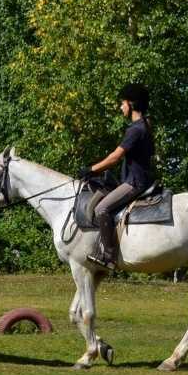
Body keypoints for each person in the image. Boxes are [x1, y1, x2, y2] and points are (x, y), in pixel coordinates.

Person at [77, 83, 155, 272]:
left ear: (131, 104)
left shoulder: (135, 130)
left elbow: (115, 157)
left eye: (122, 103)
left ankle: (108, 256)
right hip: (140, 179)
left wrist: (91, 169)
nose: (120, 107)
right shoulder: (146, 125)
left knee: (101, 208)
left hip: (135, 182)